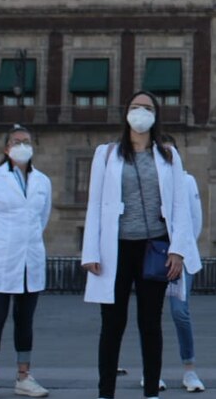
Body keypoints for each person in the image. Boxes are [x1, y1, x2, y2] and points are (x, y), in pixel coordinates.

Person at [81, 91, 197, 399]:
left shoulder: (169, 155)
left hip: (154, 247)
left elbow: (179, 207)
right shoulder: (106, 154)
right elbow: (94, 204)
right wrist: (90, 251)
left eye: (147, 108)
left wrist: (178, 249)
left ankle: (151, 392)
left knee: (150, 324)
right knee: (112, 324)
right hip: (115, 249)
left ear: (156, 116)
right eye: (135, 107)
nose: (140, 113)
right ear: (126, 113)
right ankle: (106, 391)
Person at [0, 124, 53, 399]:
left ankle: (23, 376)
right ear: (6, 148)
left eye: (27, 141)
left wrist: (26, 244)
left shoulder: (42, 181)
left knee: (24, 321)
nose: (22, 145)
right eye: (17, 141)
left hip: (30, 262)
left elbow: (42, 218)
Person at [159, 134, 207, 393]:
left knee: (180, 312)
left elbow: (195, 220)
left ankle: (189, 369)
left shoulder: (187, 181)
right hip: (153, 257)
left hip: (182, 257)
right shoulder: (149, 182)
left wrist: (181, 249)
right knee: (151, 316)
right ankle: (152, 369)